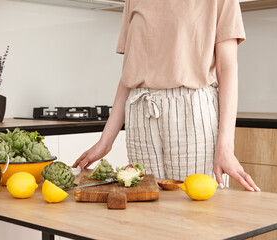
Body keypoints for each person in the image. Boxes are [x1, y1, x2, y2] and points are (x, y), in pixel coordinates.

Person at [73, 0, 260, 192]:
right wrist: (106, 141)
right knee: (146, 209)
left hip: (191, 113)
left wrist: (226, 147)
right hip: (140, 115)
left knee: (197, 213)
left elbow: (227, 68)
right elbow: (129, 74)